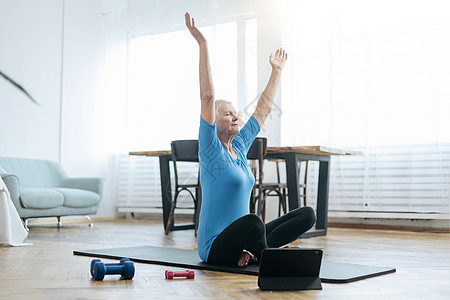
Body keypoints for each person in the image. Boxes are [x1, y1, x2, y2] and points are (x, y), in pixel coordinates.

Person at [185, 12, 316, 267]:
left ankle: (255, 253)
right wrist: (203, 45)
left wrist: (276, 71)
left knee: (306, 215)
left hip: (245, 238)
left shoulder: (240, 146)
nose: (236, 116)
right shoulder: (211, 149)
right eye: (227, 114)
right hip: (214, 247)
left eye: (236, 112)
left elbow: (263, 110)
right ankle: (269, 257)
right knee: (254, 221)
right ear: (215, 120)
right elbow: (207, 97)